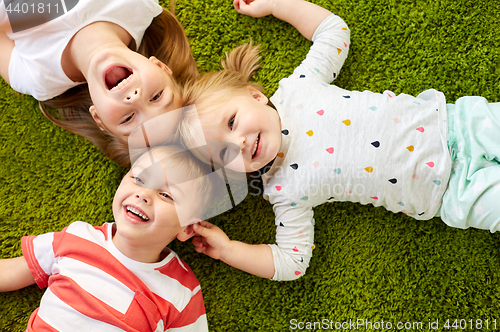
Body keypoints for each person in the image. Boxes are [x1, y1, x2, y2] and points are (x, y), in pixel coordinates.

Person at [177, 0, 500, 281]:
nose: (240, 143)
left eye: (232, 122)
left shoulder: (298, 88)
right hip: (451, 192)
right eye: (223, 153)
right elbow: (292, 262)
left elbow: (333, 32)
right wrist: (230, 250)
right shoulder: (283, 191)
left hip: (459, 124)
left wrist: (276, 4)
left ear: (255, 96)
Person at [0, 145, 213, 332]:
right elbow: (11, 271)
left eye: (166, 195)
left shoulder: (182, 291)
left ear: (187, 228)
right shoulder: (77, 236)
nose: (143, 194)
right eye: (138, 179)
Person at [0, 0, 197, 166]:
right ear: (160, 66)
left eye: (128, 119)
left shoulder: (37, 78)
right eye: (156, 97)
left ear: (98, 118)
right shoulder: (140, 6)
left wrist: (25, 12)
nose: (135, 99)